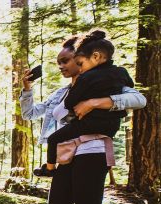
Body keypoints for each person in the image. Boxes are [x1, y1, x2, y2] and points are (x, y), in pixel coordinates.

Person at [20, 36, 146, 204]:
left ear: (86, 61)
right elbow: (32, 114)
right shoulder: (62, 92)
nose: (63, 66)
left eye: (68, 60)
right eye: (61, 62)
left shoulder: (105, 82)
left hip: (92, 151)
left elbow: (138, 99)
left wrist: (96, 103)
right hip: (67, 154)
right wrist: (27, 88)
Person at [34, 30, 133, 177]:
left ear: (95, 56)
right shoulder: (121, 72)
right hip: (107, 129)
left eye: (80, 63)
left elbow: (70, 102)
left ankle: (49, 169)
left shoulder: (86, 78)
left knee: (54, 138)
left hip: (89, 135)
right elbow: (129, 88)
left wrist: (86, 103)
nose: (80, 68)